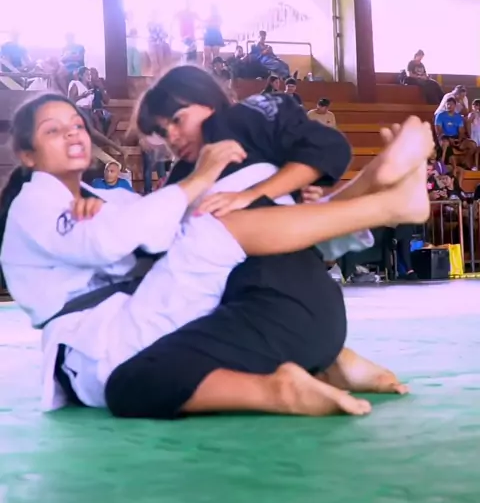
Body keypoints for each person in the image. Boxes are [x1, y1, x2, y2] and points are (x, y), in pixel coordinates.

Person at [0, 93, 431, 419]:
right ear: (26, 155)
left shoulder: (105, 200)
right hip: (99, 346)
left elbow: (153, 229)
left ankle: (371, 189)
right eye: (53, 130)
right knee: (213, 230)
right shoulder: (31, 205)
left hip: (142, 315)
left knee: (224, 222)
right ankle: (384, 204)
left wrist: (219, 192)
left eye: (76, 124)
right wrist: (200, 177)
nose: (72, 133)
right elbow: (109, 243)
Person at [434, 96, 476, 170]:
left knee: (473, 145)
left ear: (455, 105)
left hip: (456, 137)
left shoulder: (458, 117)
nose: (449, 106)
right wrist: (449, 139)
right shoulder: (440, 115)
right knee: (446, 143)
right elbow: (439, 131)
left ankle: (464, 162)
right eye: (448, 104)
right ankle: (441, 164)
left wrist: (459, 139)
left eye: (451, 104)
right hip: (444, 137)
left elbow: (461, 131)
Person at [466, 99, 480, 170]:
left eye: (478, 105)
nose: (477, 106)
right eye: (475, 105)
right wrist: (470, 134)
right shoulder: (472, 114)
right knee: (475, 150)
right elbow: (468, 123)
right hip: (474, 135)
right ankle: (474, 166)